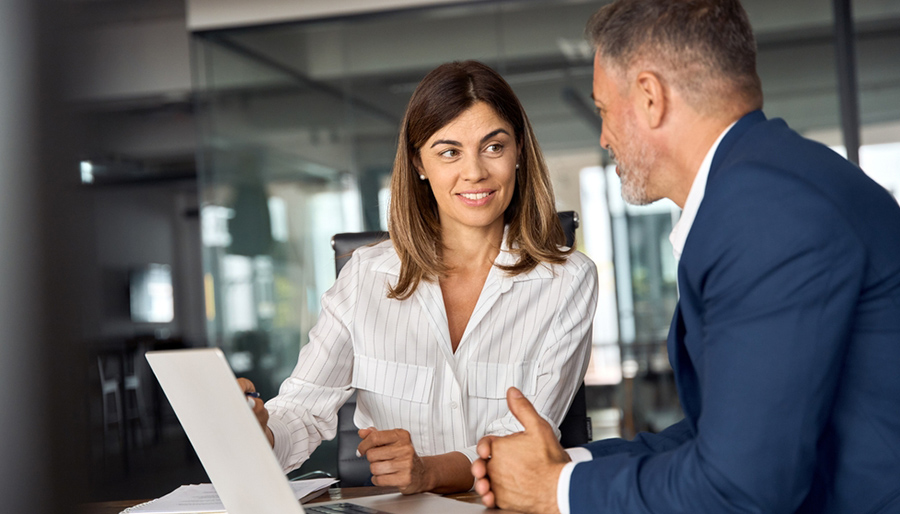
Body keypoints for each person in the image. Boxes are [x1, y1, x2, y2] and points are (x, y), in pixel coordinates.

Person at [471, 1, 900, 513]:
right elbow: (723, 438)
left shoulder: (765, 213)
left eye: (605, 110)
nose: (604, 136)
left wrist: (555, 492)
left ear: (650, 97)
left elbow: (740, 488)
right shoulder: (776, 183)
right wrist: (567, 463)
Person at [240, 60, 598, 495]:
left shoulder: (568, 280)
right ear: (419, 163)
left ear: (519, 151)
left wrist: (429, 472)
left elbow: (524, 438)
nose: (474, 173)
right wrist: (261, 432)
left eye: (493, 147)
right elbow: (303, 409)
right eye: (449, 151)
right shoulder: (365, 276)